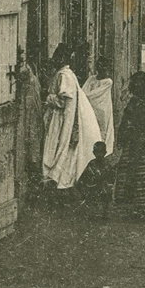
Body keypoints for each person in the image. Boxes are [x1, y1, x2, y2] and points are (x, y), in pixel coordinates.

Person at [42, 44, 103, 190]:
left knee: (60, 148)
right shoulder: (65, 74)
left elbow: (64, 100)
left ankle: (59, 181)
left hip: (62, 119)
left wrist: (49, 98)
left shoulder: (64, 75)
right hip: (61, 118)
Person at [114, 71, 145, 218]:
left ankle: (138, 208)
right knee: (136, 173)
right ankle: (136, 207)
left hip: (140, 142)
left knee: (138, 174)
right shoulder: (139, 102)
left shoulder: (143, 103)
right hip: (135, 141)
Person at [16, 52, 43, 187]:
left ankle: (34, 179)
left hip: (31, 115)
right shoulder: (31, 79)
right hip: (27, 115)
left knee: (32, 145)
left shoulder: (32, 81)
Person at [82, 56, 115, 156]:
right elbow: (83, 91)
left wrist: (84, 97)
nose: (102, 69)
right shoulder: (91, 79)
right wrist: (84, 96)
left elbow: (94, 95)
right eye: (100, 66)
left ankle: (101, 154)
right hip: (90, 109)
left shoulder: (108, 82)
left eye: (105, 67)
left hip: (102, 110)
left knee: (102, 131)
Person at [77, 141, 112, 219]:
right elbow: (83, 177)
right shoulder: (92, 164)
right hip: (93, 187)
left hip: (104, 187)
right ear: (93, 153)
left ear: (105, 153)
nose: (99, 155)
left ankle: (104, 213)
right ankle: (94, 213)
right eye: (97, 152)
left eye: (101, 152)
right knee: (92, 198)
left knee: (105, 197)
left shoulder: (107, 164)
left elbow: (111, 178)